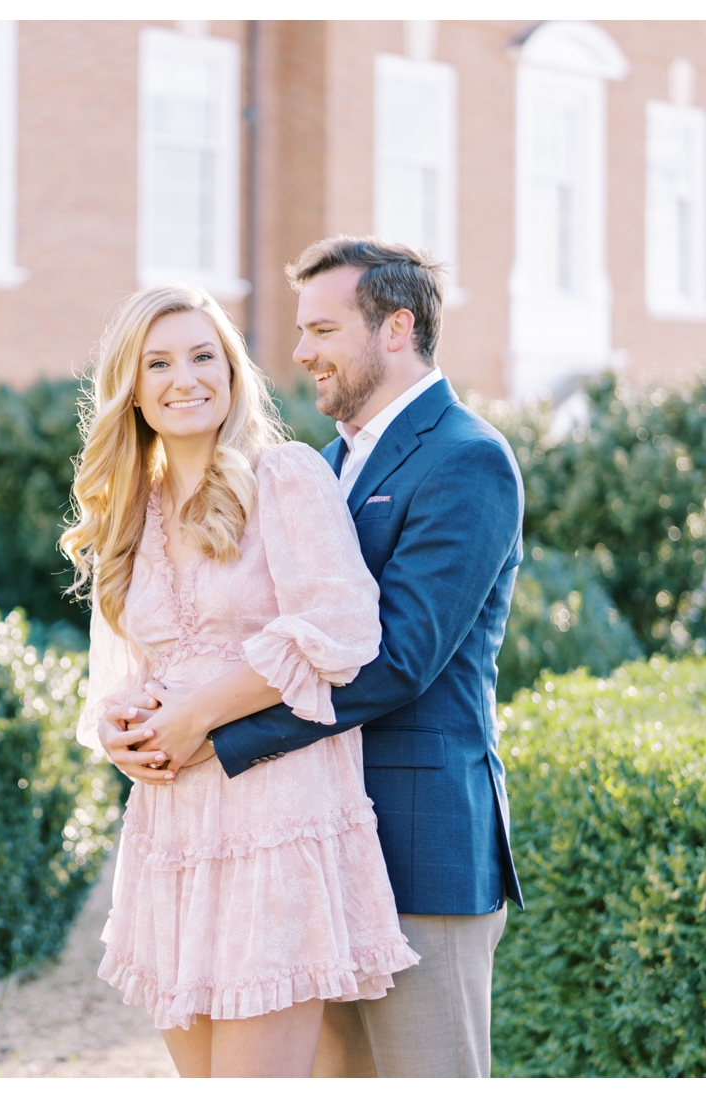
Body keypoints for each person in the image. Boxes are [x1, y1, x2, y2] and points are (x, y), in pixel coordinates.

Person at [99, 236, 525, 1078]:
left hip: (415, 838)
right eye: (300, 331)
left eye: (323, 330)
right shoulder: (321, 464)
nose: (299, 352)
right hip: (290, 837)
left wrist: (209, 734)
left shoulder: (466, 459)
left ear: (394, 329)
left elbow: (397, 659)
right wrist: (139, 723)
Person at [62, 282, 418, 1078]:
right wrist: (126, 733)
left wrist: (195, 715)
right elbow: (126, 673)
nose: (184, 378)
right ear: (132, 386)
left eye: (203, 356)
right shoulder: (133, 510)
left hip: (275, 816)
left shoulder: (284, 475)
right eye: (158, 363)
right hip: (174, 834)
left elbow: (344, 629)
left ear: (232, 372)